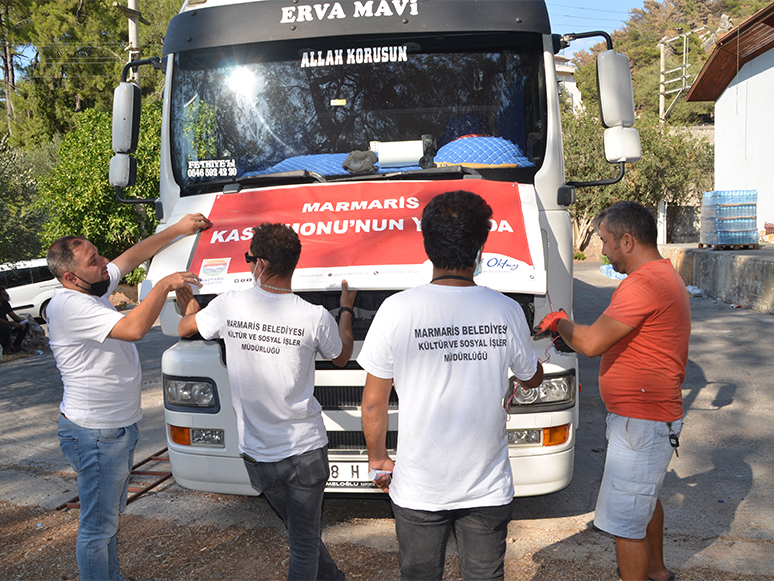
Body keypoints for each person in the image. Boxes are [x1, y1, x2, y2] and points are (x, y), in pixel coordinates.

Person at [359, 190, 544, 581]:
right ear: (481, 245)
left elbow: (374, 404)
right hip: (488, 486)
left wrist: (378, 460)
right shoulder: (506, 310)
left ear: (426, 243)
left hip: (419, 487)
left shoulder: (396, 310)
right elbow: (530, 377)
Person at [177, 222, 355, 581]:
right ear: (293, 263)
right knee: (303, 540)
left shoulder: (230, 304)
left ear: (259, 264)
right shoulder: (314, 316)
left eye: (248, 259)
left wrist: (191, 308)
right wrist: (346, 310)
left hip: (258, 454)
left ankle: (334, 578)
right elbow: (341, 354)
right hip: (305, 451)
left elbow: (186, 329)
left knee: (299, 534)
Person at [46, 213, 212, 581]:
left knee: (107, 520)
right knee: (97, 527)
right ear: (71, 277)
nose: (104, 263)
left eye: (99, 254)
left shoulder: (93, 286)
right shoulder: (69, 306)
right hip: (95, 435)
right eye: (94, 261)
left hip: (114, 430)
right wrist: (164, 285)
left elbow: (131, 257)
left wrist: (177, 230)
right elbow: (135, 328)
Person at [534, 200, 690, 581]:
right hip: (648, 420)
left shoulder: (644, 283)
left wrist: (561, 323)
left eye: (605, 242)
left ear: (627, 240)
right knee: (644, 500)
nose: (601, 250)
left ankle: (645, 572)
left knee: (624, 524)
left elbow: (591, 343)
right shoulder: (661, 275)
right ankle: (657, 572)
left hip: (642, 422)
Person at [0, 285, 29, 354]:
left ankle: (16, 345)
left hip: (6, 324)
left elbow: (12, 315)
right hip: (3, 326)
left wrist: (21, 322)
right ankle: (6, 348)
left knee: (25, 325)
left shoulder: (5, 303)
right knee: (6, 328)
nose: (6, 295)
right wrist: (10, 323)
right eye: (4, 294)